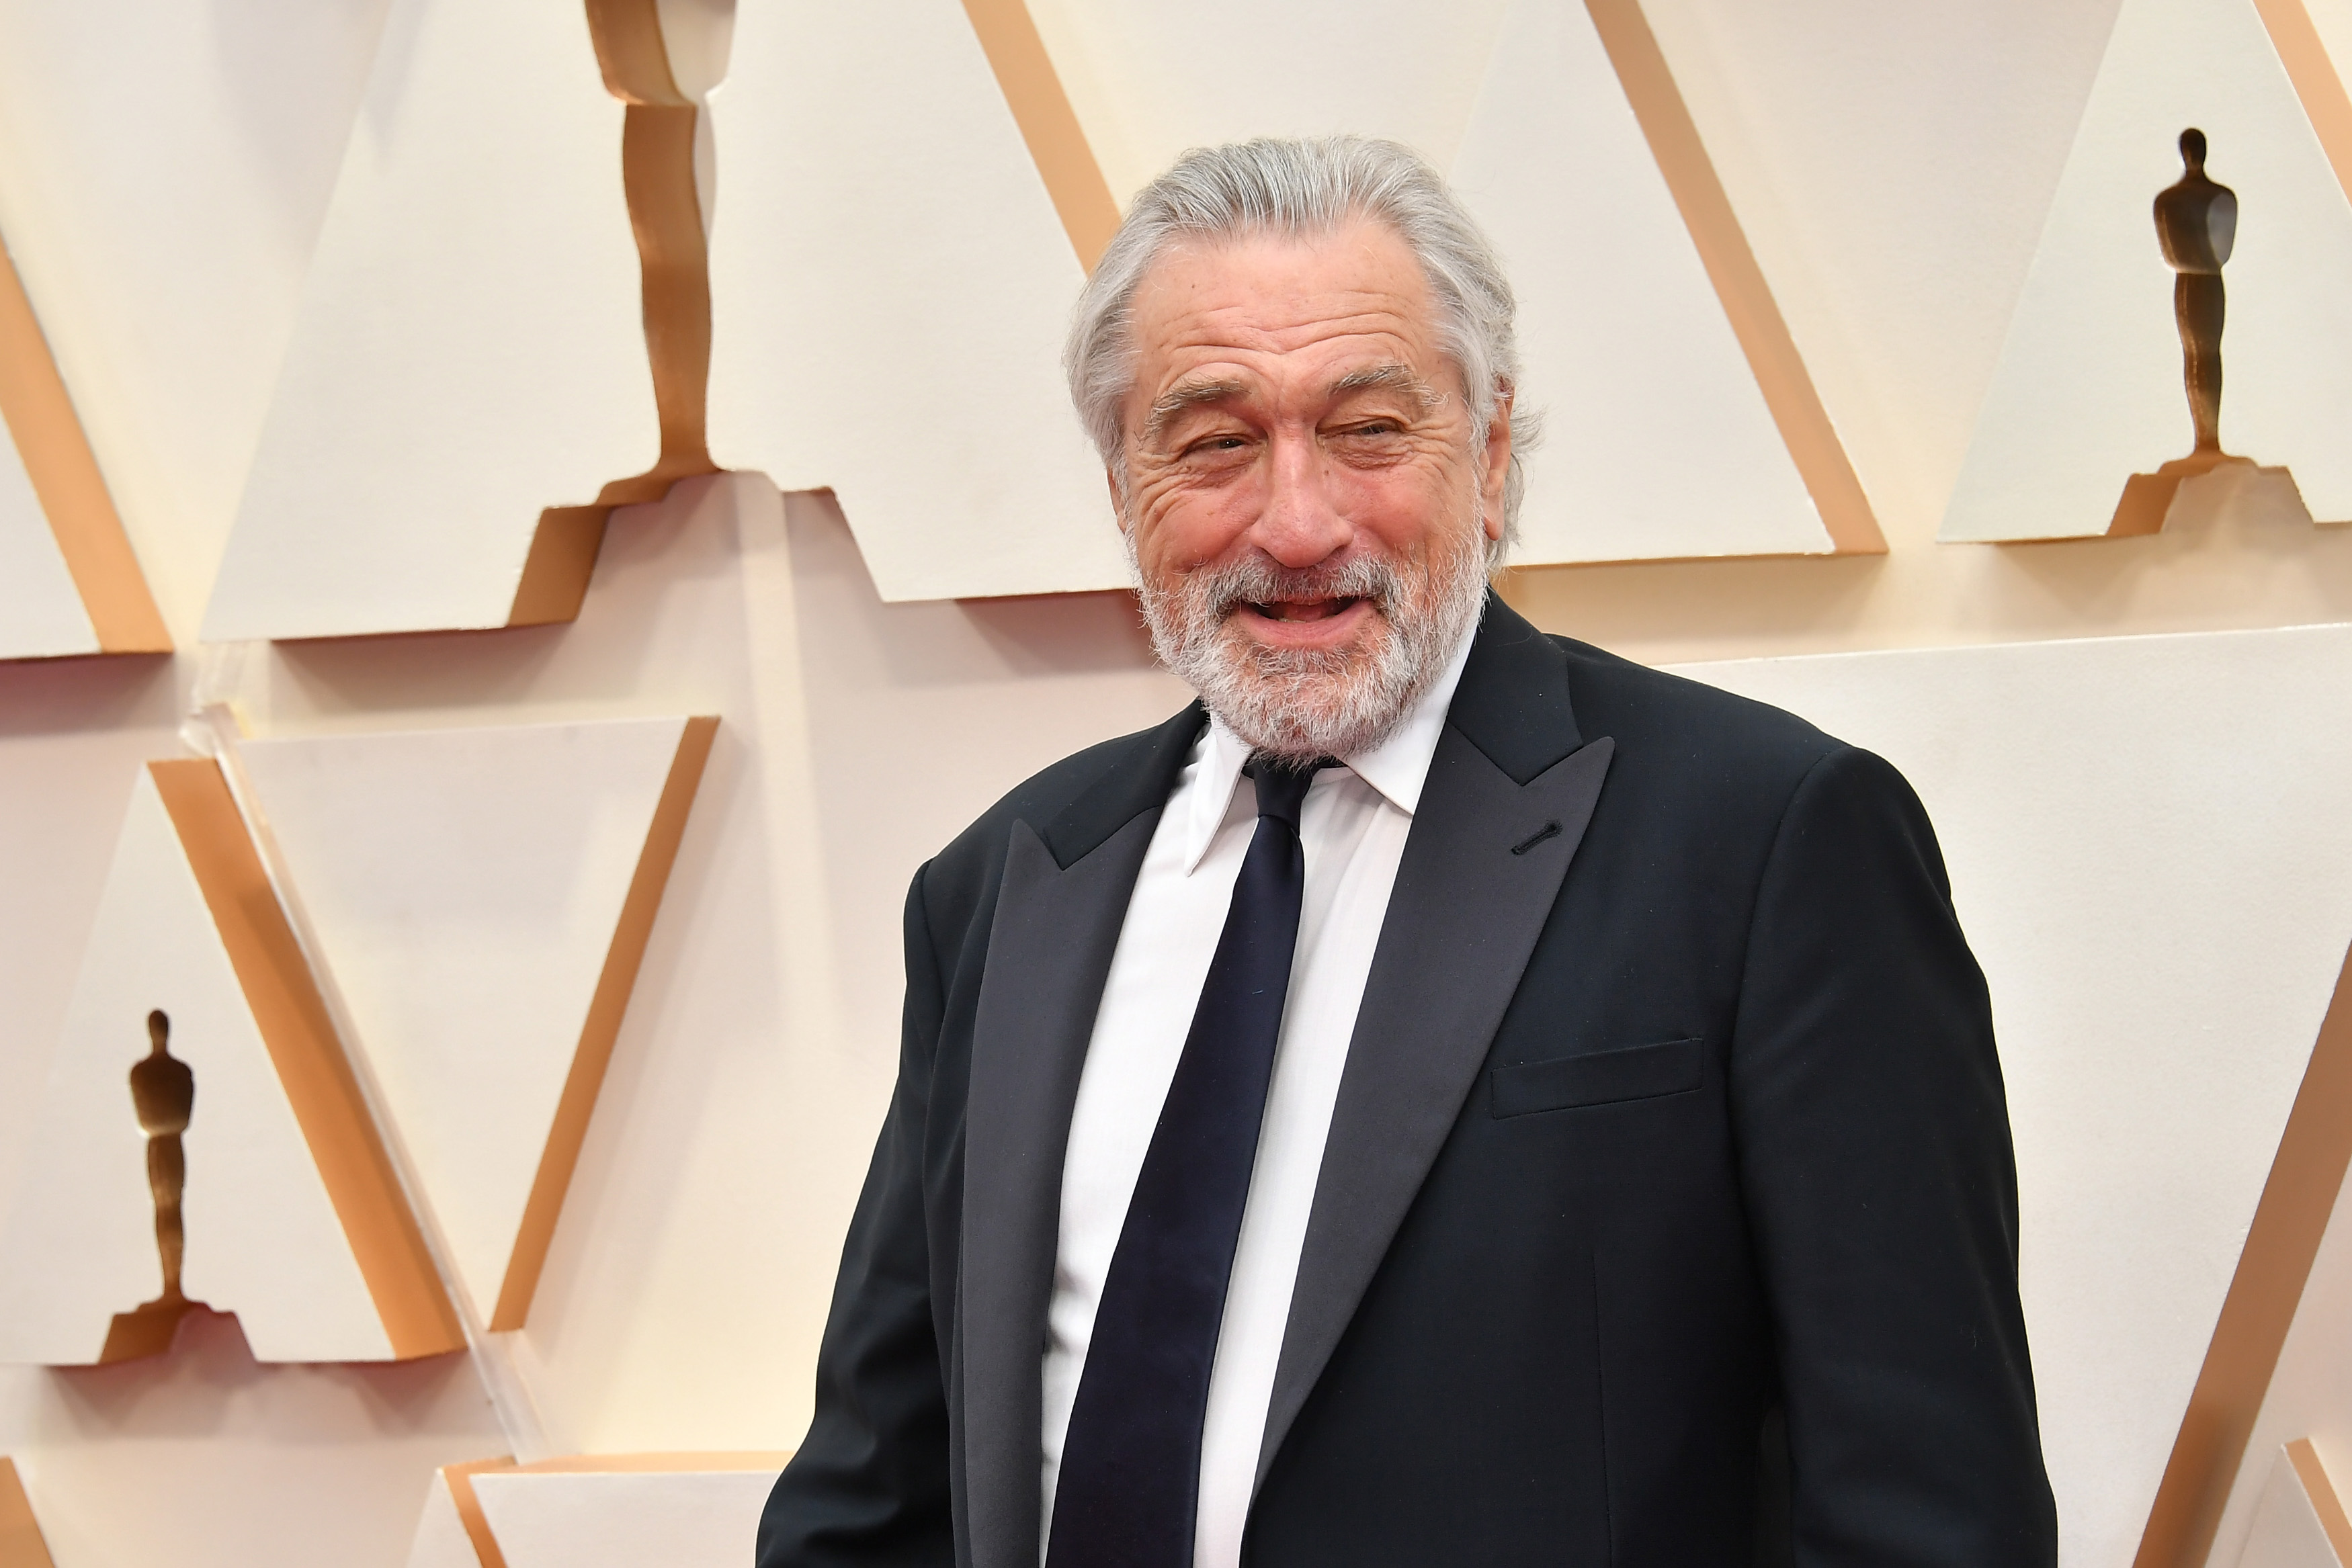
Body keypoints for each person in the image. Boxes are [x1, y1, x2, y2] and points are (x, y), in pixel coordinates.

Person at [757, 134, 2056, 1567]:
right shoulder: (999, 889)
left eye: (1369, 430)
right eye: (1214, 441)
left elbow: (1930, 1517)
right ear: (1122, 485)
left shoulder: (1768, 844)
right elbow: (873, 1494)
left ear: (1490, 456)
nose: (1298, 521)